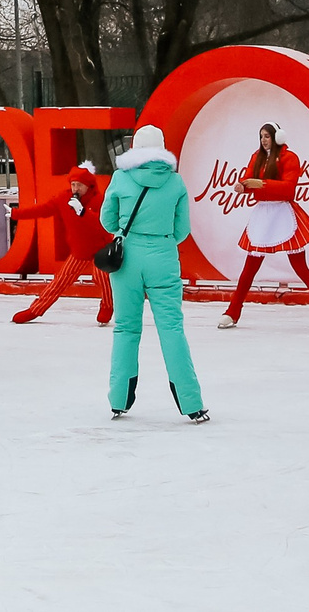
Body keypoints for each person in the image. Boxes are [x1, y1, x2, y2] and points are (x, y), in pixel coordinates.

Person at [101, 124, 206, 423]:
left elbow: (107, 219)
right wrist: (161, 239)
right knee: (171, 328)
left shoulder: (120, 178)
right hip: (163, 255)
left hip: (127, 258)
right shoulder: (175, 182)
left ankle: (119, 399)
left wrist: (125, 232)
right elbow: (182, 228)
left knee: (125, 328)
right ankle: (191, 402)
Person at [217, 123, 309, 332]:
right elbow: (248, 177)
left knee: (301, 268)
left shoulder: (289, 158)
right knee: (249, 269)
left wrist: (261, 184)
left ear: (277, 137)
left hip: (283, 215)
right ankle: (232, 312)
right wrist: (243, 185)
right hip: (263, 215)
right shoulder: (256, 156)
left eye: (267, 136)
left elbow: (288, 188)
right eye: (262, 136)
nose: (264, 140)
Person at [9, 160, 114, 326]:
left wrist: (82, 211)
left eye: (79, 185)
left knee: (102, 277)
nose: (75, 189)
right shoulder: (63, 198)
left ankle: (108, 306)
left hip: (101, 249)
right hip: (80, 250)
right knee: (60, 281)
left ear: (89, 186)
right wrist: (16, 214)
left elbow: (103, 225)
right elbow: (42, 210)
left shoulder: (99, 200)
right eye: (73, 184)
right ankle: (35, 310)